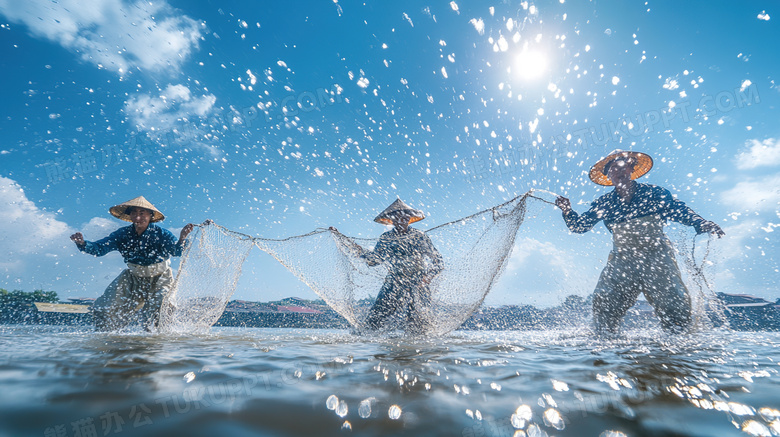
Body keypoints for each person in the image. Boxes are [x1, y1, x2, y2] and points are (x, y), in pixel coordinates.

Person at [554, 150, 724, 334]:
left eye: (622, 167)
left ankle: (679, 346)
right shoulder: (604, 203)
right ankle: (605, 348)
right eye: (612, 170)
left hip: (657, 256)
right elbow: (580, 226)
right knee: (604, 301)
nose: (618, 172)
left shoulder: (654, 193)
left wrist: (701, 222)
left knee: (675, 302)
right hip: (623, 259)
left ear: (630, 169)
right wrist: (567, 211)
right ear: (608, 176)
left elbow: (679, 210)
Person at [70, 196, 206, 331]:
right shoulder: (122, 234)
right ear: (129, 216)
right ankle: (109, 337)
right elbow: (99, 249)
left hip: (160, 277)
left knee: (163, 305)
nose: (138, 217)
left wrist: (182, 238)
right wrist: (82, 243)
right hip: (133, 278)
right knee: (105, 305)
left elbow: (176, 252)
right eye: (134, 213)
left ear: (150, 216)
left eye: (142, 213)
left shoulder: (162, 234)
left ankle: (160, 342)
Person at [331, 198, 444, 334]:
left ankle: (415, 351)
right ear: (392, 220)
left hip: (418, 283)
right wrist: (346, 241)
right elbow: (374, 261)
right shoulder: (386, 238)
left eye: (404, 216)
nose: (401, 220)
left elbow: (438, 262)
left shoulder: (419, 236)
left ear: (409, 218)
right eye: (397, 217)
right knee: (374, 320)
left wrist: (426, 278)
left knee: (417, 324)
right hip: (394, 282)